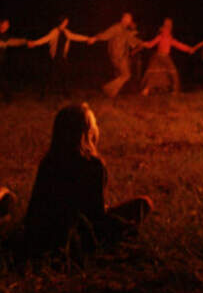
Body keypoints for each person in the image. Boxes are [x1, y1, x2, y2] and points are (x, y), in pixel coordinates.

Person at [22, 103, 152, 256]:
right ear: (88, 132)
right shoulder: (93, 165)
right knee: (143, 204)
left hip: (41, 235)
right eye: (95, 124)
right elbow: (95, 216)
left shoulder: (49, 161)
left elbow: (34, 209)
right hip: (77, 235)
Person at [29, 17, 93, 100]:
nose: (67, 23)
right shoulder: (54, 31)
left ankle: (65, 93)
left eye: (67, 22)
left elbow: (75, 36)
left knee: (65, 75)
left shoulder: (66, 32)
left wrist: (87, 38)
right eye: (65, 21)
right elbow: (46, 39)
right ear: (61, 22)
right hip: (55, 58)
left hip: (62, 57)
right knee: (51, 76)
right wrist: (35, 43)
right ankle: (43, 95)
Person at [140, 18, 194, 95]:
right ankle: (146, 90)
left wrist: (189, 49)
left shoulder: (170, 38)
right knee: (155, 73)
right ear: (164, 27)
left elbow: (179, 45)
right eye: (167, 26)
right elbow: (150, 45)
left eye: (170, 26)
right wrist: (144, 44)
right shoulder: (160, 37)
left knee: (170, 73)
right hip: (159, 57)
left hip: (165, 57)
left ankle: (174, 90)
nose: (168, 28)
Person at [94, 13, 141, 97]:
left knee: (121, 75)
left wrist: (143, 43)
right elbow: (106, 35)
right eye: (128, 18)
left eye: (130, 19)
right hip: (117, 55)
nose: (130, 21)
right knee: (126, 75)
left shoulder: (125, 30)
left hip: (122, 56)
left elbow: (131, 40)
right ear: (123, 19)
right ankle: (107, 88)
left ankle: (112, 93)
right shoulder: (117, 27)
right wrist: (94, 38)